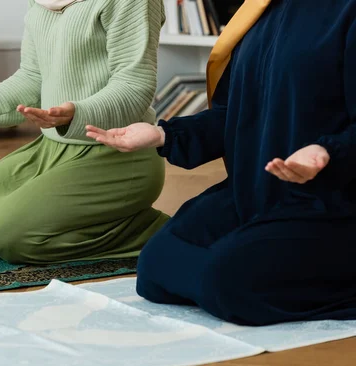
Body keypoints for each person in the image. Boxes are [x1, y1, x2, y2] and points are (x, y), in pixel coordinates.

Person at [86, 0, 356, 326]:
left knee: (225, 281)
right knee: (155, 265)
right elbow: (234, 114)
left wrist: (328, 151)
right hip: (254, 192)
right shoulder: (259, 12)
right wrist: (163, 135)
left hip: (333, 205)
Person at [0, 0, 169, 264]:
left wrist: (76, 113)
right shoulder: (39, 2)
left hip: (118, 154)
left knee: (11, 237)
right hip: (49, 149)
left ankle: (160, 232)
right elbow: (32, 78)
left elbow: (134, 85)